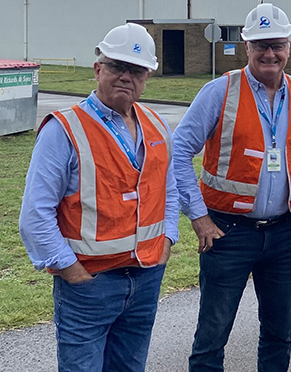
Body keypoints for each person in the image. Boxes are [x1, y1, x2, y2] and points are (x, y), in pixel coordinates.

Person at [172, 3, 291, 372]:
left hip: (283, 233)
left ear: (290, 46)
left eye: (276, 45)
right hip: (227, 234)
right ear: (246, 47)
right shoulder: (219, 91)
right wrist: (198, 218)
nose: (269, 54)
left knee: (278, 334)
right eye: (260, 45)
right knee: (212, 336)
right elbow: (177, 151)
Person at [19, 23, 177, 372]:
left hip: (146, 277)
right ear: (98, 69)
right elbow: (35, 214)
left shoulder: (157, 125)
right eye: (117, 66)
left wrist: (167, 240)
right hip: (89, 285)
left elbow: (169, 189)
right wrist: (70, 270)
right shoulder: (64, 129)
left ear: (147, 75)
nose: (126, 77)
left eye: (136, 70)